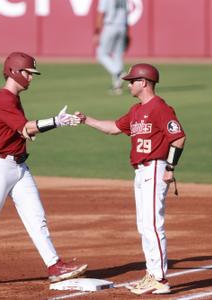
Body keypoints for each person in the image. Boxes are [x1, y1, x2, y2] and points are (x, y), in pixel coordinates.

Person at [0, 52, 87, 288]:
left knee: (37, 217)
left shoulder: (13, 98)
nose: (31, 78)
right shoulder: (3, 98)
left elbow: (20, 132)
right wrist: (57, 121)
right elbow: (26, 128)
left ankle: (54, 265)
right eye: (28, 73)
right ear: (15, 71)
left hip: (18, 166)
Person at [75, 63, 186, 295]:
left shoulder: (159, 107)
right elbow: (114, 128)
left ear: (144, 82)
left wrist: (170, 167)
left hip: (156, 168)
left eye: (132, 80)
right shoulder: (136, 110)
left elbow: (178, 138)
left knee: (153, 224)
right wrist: (87, 120)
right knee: (144, 225)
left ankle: (160, 279)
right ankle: (153, 273)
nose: (129, 84)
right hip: (140, 171)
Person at [93, 0, 130, 95]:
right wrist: (127, 32)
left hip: (110, 26)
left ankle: (119, 72)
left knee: (101, 54)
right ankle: (117, 86)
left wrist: (97, 32)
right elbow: (127, 13)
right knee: (118, 56)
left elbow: (101, 13)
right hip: (122, 26)